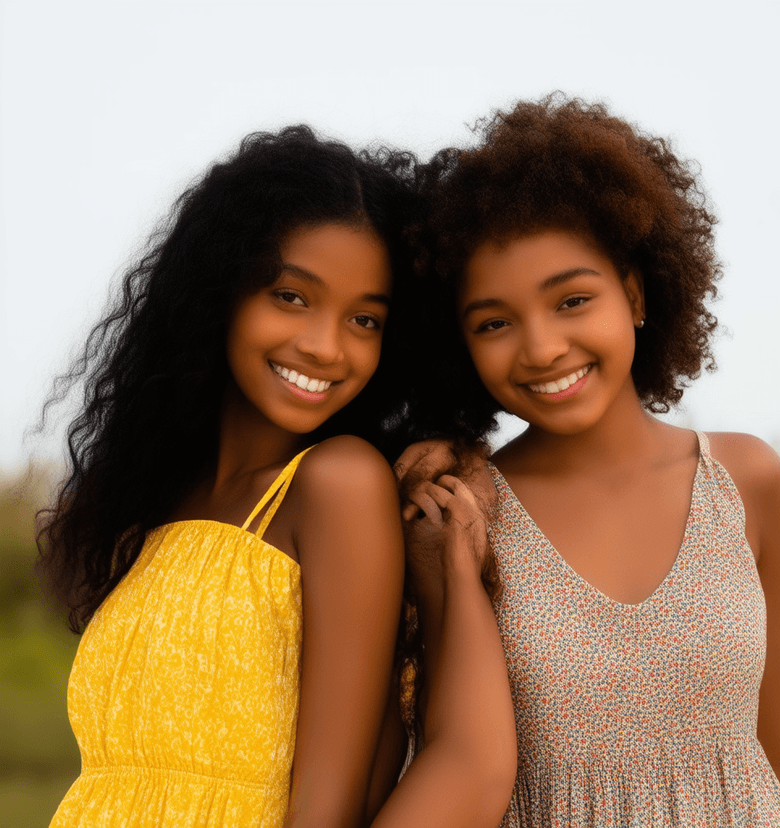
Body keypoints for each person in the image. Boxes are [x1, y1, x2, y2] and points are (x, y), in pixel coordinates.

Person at [39, 125, 517, 828]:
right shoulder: (154, 508)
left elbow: (330, 803)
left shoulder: (335, 485)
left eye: (364, 319)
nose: (325, 347)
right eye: (292, 297)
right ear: (217, 292)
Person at [398, 93, 780, 826]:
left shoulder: (747, 481)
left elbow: (776, 766)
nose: (543, 347)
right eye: (494, 322)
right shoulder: (466, 514)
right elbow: (448, 762)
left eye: (572, 301)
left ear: (636, 294)